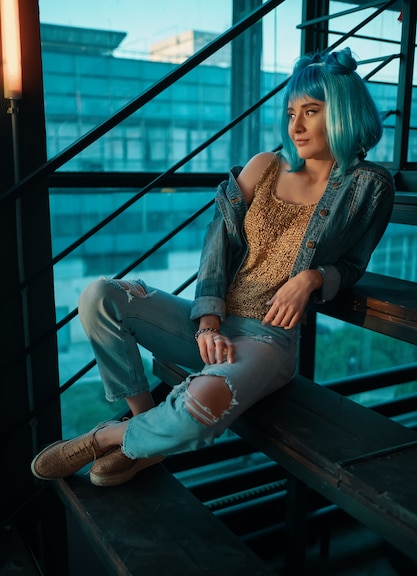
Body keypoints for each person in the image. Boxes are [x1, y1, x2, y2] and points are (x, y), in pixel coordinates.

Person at [31, 47, 395, 487]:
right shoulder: (266, 166)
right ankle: (147, 436)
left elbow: (354, 265)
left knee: (202, 401)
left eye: (311, 112)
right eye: (291, 112)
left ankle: (108, 437)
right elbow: (217, 239)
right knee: (99, 297)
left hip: (268, 341)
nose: (294, 126)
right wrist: (207, 320)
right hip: (210, 323)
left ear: (342, 113)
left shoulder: (368, 186)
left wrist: (314, 277)